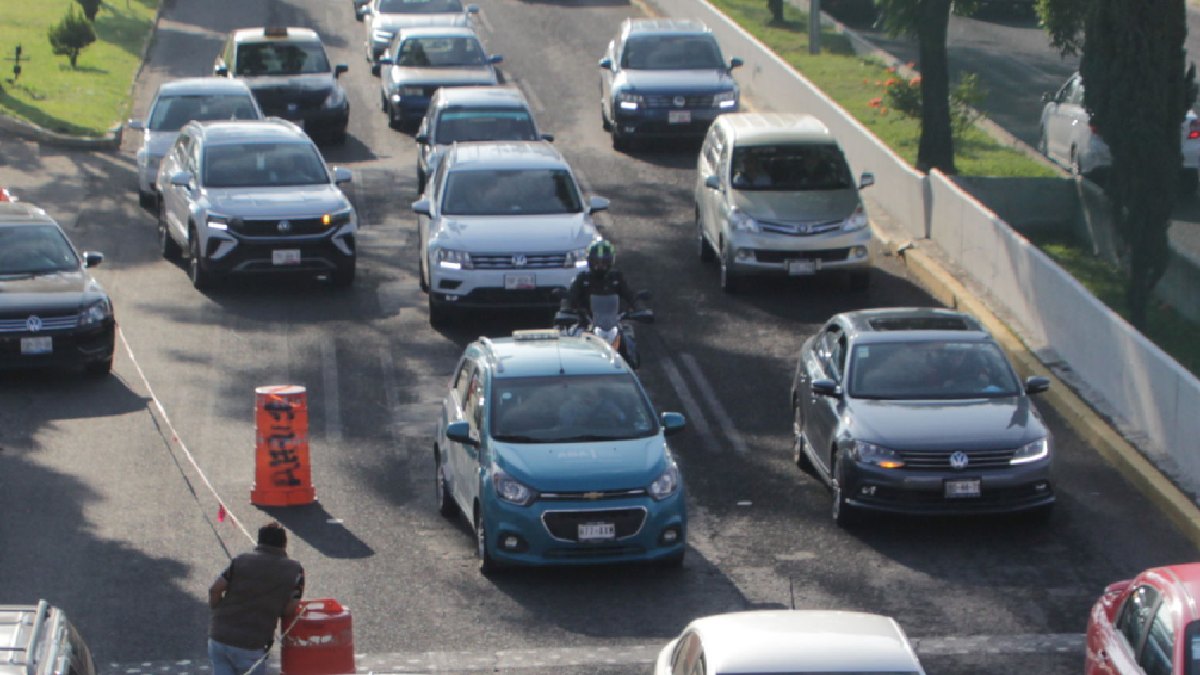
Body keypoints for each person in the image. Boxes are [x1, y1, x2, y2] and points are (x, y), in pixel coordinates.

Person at [208, 522, 305, 675]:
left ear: (259, 541)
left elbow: (215, 589)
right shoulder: (295, 570)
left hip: (219, 638)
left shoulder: (240, 561)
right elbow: (290, 609)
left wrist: (217, 610)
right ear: (284, 544)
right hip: (251, 644)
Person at [559, 239, 640, 320]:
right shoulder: (582, 278)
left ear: (611, 261)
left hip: (614, 323)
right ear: (589, 261)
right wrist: (567, 309)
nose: (600, 266)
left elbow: (630, 296)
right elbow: (570, 297)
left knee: (628, 328)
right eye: (596, 262)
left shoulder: (616, 277)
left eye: (604, 262)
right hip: (586, 323)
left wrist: (639, 308)